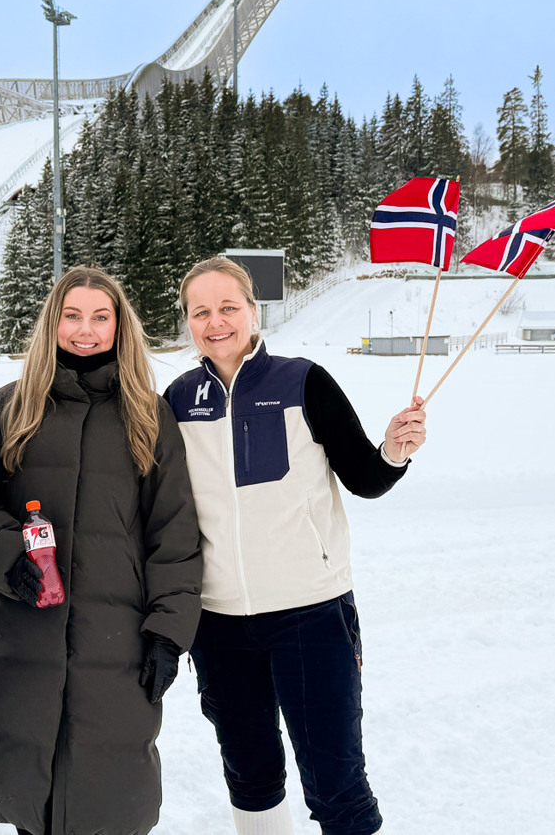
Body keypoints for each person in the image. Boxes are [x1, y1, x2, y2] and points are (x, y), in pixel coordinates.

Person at [163, 257, 426, 835]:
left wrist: (393, 451)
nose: (215, 322)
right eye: (200, 311)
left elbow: (364, 476)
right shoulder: (176, 401)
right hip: (220, 623)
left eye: (228, 307)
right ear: (187, 321)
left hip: (311, 615)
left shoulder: (303, 380)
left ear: (253, 312)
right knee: (250, 775)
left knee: (336, 782)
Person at [0, 266, 203, 835]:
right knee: (31, 802)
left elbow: (175, 532)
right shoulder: (10, 407)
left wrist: (168, 632)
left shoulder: (148, 414)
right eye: (72, 316)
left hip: (115, 646)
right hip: (24, 635)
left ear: (120, 327)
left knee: (105, 801)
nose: (85, 330)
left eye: (100, 317)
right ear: (52, 323)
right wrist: (5, 556)